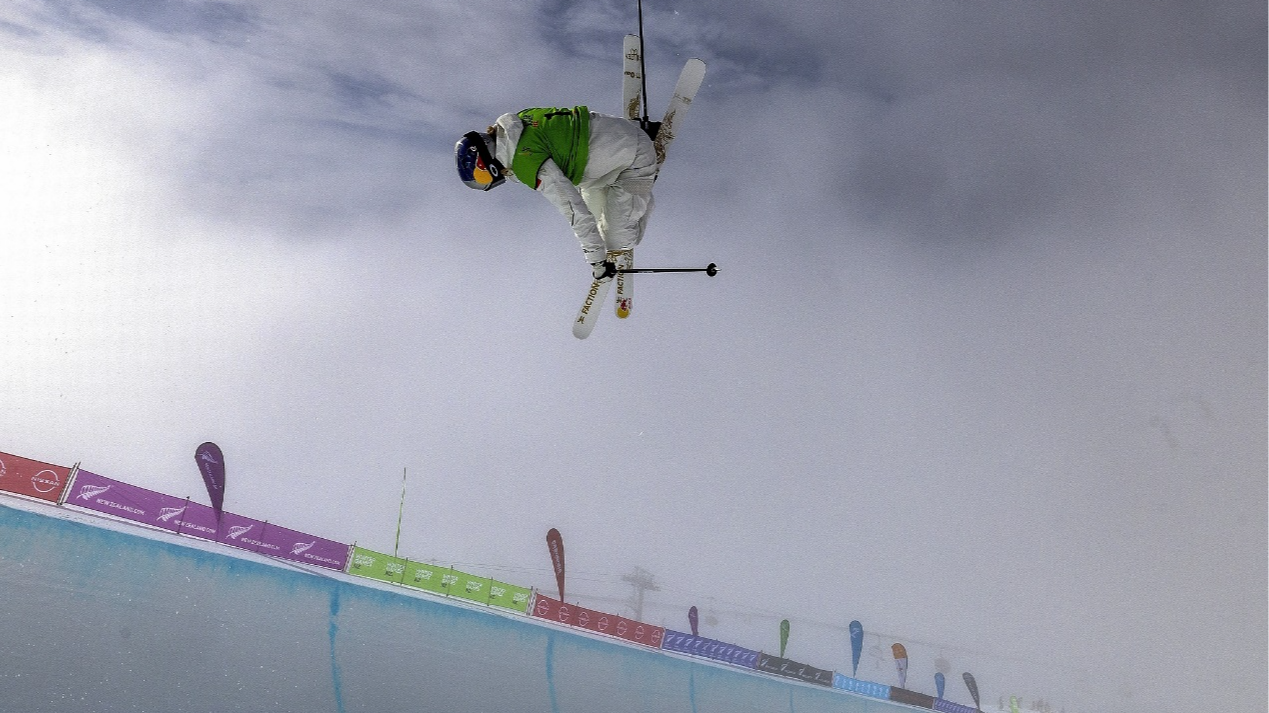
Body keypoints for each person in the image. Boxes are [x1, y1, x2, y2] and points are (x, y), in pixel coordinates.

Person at [456, 106, 657, 283]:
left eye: (481, 176)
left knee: (616, 241)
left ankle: (643, 191)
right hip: (605, 162)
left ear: (486, 161)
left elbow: (573, 209)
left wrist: (597, 261)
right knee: (597, 228)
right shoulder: (517, 124)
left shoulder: (525, 161)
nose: (488, 180)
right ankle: (635, 158)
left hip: (636, 161)